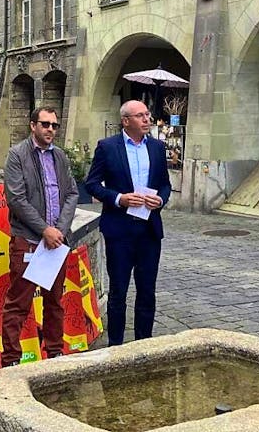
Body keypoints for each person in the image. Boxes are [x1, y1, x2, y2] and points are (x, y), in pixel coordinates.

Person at [84, 100, 172, 346]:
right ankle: (116, 347)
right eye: (140, 115)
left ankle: (144, 344)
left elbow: (165, 184)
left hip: (149, 230)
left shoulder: (156, 147)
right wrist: (119, 198)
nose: (147, 119)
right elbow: (91, 184)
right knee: (118, 292)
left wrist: (161, 199)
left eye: (148, 114)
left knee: (147, 291)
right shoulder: (108, 147)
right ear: (126, 121)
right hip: (120, 231)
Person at [1, 107, 79, 367]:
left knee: (55, 301)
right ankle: (11, 359)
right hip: (29, 240)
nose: (50, 130)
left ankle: (55, 354)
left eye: (55, 126)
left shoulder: (60, 157)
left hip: (56, 241)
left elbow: (71, 194)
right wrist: (44, 230)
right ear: (32, 125)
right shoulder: (17, 155)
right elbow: (16, 199)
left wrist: (60, 230)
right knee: (18, 303)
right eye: (45, 124)